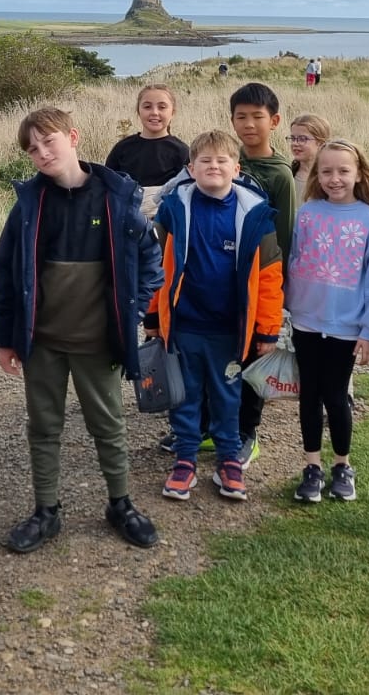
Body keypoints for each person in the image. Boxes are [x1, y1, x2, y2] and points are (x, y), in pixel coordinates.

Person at [0, 107, 163, 554]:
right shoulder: (29, 204)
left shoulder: (117, 197)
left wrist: (133, 310)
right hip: (42, 343)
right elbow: (8, 272)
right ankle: (46, 511)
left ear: (73, 136)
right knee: (43, 427)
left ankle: (121, 504)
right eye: (32, 148)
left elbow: (150, 261)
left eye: (48, 141)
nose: (42, 152)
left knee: (108, 426)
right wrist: (5, 339)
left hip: (98, 342)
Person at [147, 130, 284, 503]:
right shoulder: (174, 210)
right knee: (185, 397)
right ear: (191, 168)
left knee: (227, 396)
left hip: (231, 331)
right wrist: (150, 318)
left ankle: (229, 460)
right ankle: (185, 460)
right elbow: (155, 267)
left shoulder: (256, 215)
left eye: (222, 160)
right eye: (205, 161)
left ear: (236, 168)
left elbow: (270, 277)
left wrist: (267, 329)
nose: (213, 166)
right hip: (184, 327)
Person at [286, 139, 369, 504]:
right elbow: (294, 263)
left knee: (336, 395)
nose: (335, 178)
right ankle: (311, 467)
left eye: (343, 171)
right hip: (306, 323)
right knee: (308, 394)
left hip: (346, 326)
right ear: (317, 174)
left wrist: (368, 330)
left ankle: (342, 466)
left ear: (359, 173)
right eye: (326, 171)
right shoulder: (307, 212)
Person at [227, 82, 296, 467]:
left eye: (257, 117)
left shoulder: (280, 175)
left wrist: (277, 294)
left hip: (259, 281)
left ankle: (246, 433)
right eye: (241, 117)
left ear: (274, 121)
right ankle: (211, 426)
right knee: (220, 351)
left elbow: (284, 237)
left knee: (252, 356)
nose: (249, 124)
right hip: (221, 276)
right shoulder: (227, 159)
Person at [104, 84, 190, 196]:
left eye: (162, 107)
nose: (154, 112)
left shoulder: (182, 151)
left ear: (172, 112)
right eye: (147, 107)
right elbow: (107, 187)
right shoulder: (122, 149)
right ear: (138, 111)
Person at [287, 113, 332, 193]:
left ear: (321, 143)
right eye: (293, 138)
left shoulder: (331, 178)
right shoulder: (287, 175)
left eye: (302, 139)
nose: (295, 143)